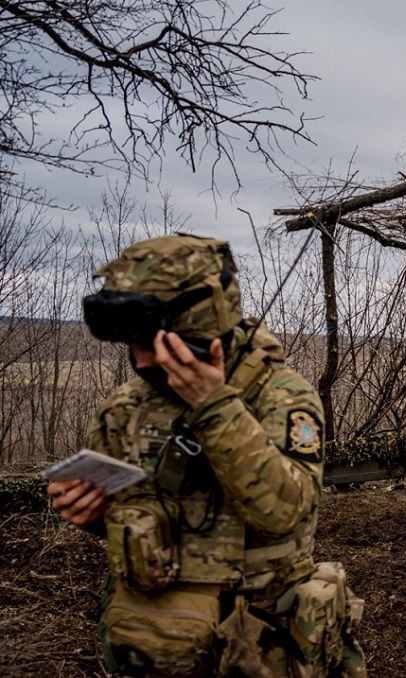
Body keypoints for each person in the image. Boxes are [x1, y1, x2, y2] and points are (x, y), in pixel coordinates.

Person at [47, 234, 365, 677]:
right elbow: (142, 516)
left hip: (256, 645)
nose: (139, 362)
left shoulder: (281, 397)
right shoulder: (126, 408)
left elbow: (286, 512)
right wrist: (92, 513)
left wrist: (213, 405)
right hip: (155, 642)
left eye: (152, 343)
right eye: (131, 344)